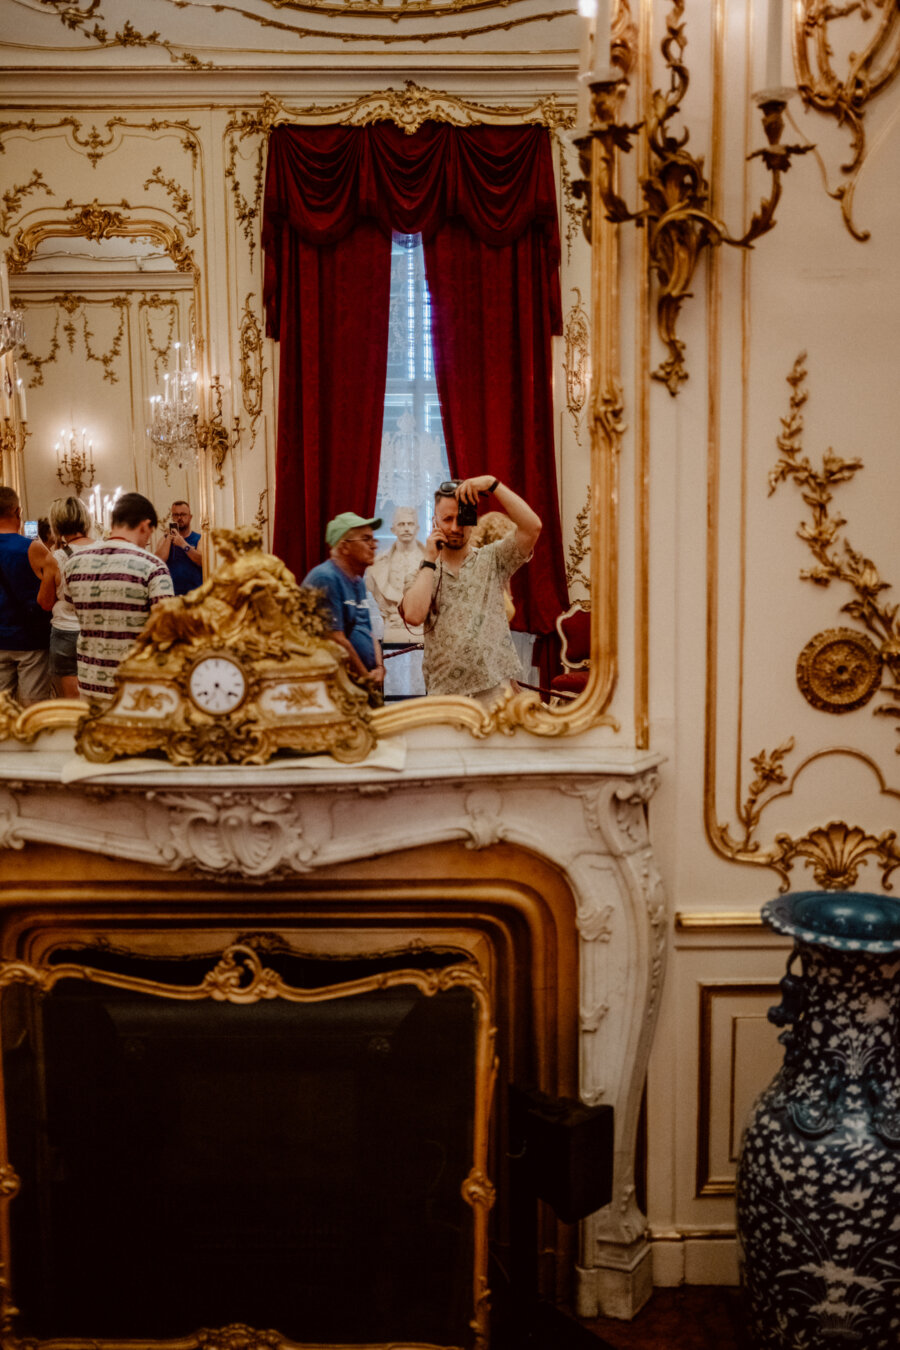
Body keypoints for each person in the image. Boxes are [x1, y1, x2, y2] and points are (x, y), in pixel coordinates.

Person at [401, 476, 541, 704]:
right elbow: (414, 615)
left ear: (473, 519)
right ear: (434, 521)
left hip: (495, 691)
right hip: (445, 694)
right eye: (447, 519)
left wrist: (493, 484)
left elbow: (532, 527)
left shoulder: (493, 559)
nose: (455, 527)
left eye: (462, 518)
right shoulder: (423, 574)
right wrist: (429, 560)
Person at [64, 491, 173, 702]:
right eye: (149, 533)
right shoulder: (153, 567)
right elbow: (165, 629)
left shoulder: (74, 564)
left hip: (89, 682)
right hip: (135, 686)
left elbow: (74, 609)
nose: (147, 540)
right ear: (144, 525)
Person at [302, 512, 385, 699]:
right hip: (336, 688)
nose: (373, 545)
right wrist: (366, 679)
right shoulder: (325, 578)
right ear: (345, 547)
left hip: (359, 684)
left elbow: (368, 632)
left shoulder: (358, 581)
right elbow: (336, 639)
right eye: (366, 539)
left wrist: (379, 668)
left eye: (373, 539)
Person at [0, 487, 55, 706]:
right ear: (18, 511)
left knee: (2, 711)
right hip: (29, 640)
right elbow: (50, 595)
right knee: (34, 710)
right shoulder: (33, 548)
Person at [45, 496, 98, 699]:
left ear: (56, 523)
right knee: (100, 697)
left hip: (66, 630)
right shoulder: (105, 549)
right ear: (86, 518)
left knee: (72, 703)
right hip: (98, 629)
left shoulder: (56, 557)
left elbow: (45, 601)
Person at [365, 506, 425, 642]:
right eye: (401, 524)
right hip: (391, 625)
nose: (406, 528)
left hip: (423, 629)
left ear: (417, 528)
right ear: (393, 529)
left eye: (410, 524)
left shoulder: (432, 560)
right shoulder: (376, 565)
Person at [154, 499, 203, 595]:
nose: (179, 518)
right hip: (171, 594)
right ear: (172, 517)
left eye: (183, 514)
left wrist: (183, 544)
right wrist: (168, 539)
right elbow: (158, 561)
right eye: (176, 515)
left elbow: (202, 561)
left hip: (195, 594)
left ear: (190, 517)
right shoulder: (164, 539)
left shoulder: (200, 539)